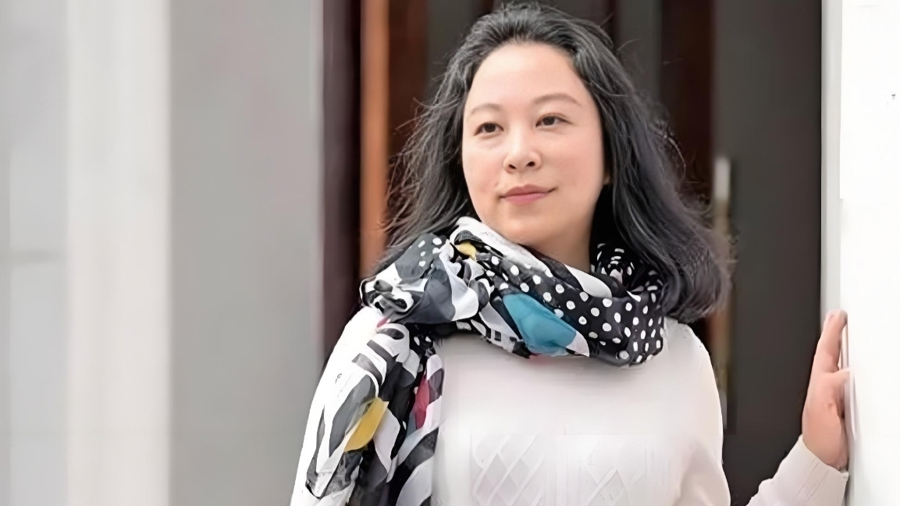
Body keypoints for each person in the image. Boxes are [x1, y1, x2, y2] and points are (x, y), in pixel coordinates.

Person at [291, 4, 850, 505]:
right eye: (489, 127)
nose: (519, 153)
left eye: (550, 120)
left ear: (611, 155)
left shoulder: (673, 359)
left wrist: (816, 462)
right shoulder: (394, 342)